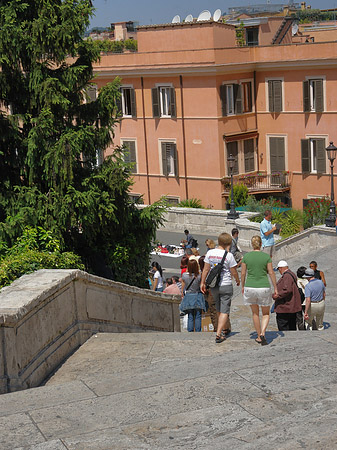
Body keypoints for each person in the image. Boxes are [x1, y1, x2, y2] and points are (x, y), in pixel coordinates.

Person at [201, 232, 240, 344]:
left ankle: (222, 329)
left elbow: (206, 269)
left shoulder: (210, 253)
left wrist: (202, 283)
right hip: (226, 284)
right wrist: (237, 280)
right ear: (228, 244)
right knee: (225, 311)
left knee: (218, 309)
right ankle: (219, 334)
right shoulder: (229, 256)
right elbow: (233, 271)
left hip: (214, 286)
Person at [241, 235, 277, 345]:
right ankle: (263, 333)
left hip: (250, 286)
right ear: (261, 244)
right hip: (263, 286)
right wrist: (275, 287)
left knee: (255, 313)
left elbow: (243, 273)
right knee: (265, 313)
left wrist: (242, 286)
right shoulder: (266, 257)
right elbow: (271, 272)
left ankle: (258, 335)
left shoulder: (246, 257)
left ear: (252, 244)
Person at [272, 260, 302, 331]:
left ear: (280, 268)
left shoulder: (287, 276)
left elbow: (287, 290)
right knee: (291, 326)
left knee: (284, 326)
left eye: (279, 269)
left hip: (286, 307)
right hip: (290, 307)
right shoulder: (291, 274)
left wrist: (277, 295)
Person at [181, 259, 205, 332]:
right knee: (198, 315)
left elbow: (183, 286)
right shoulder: (200, 275)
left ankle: (190, 330)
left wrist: (182, 293)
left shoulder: (184, 275)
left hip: (189, 295)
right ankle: (198, 330)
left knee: (190, 315)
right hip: (197, 295)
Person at [199, 255, 218, 332]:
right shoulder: (213, 271)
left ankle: (217, 329)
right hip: (216, 292)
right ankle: (224, 328)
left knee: (213, 312)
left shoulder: (204, 273)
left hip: (210, 294)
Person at [296, 266, 308, 330]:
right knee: (308, 316)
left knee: (299, 318)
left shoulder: (296, 281)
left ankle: (301, 330)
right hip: (307, 301)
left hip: (298, 302)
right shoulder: (307, 281)